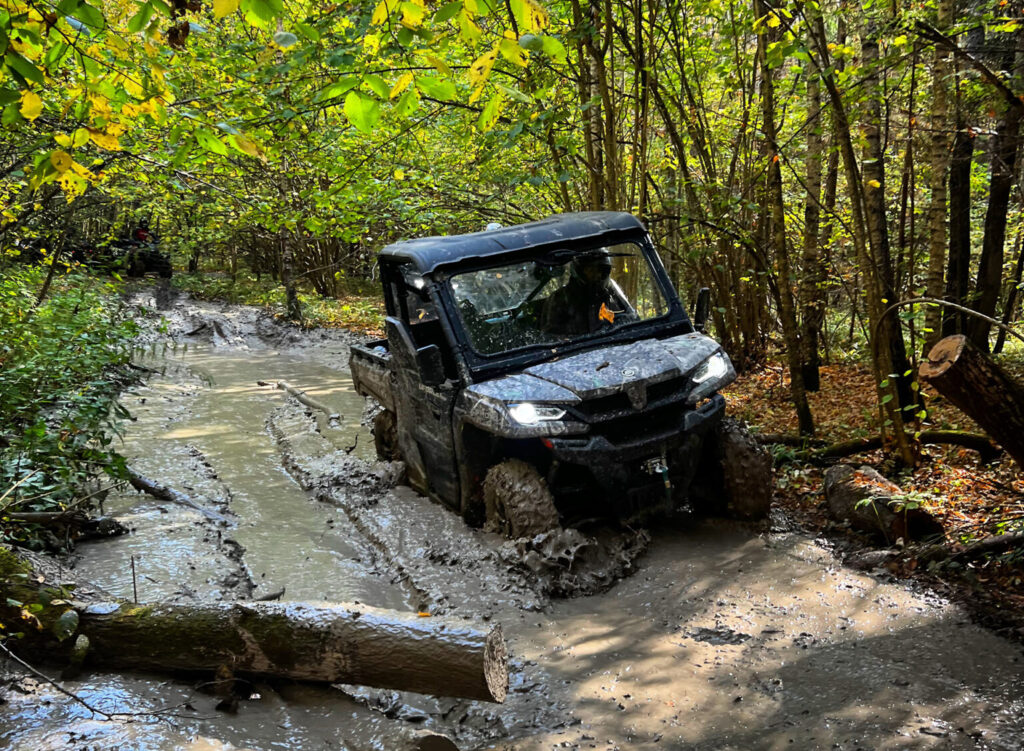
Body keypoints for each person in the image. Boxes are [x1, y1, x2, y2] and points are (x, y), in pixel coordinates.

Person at [540, 250, 629, 336]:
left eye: (601, 270)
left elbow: (630, 318)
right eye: (591, 270)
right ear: (579, 271)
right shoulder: (559, 298)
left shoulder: (610, 293)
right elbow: (550, 336)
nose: (597, 275)